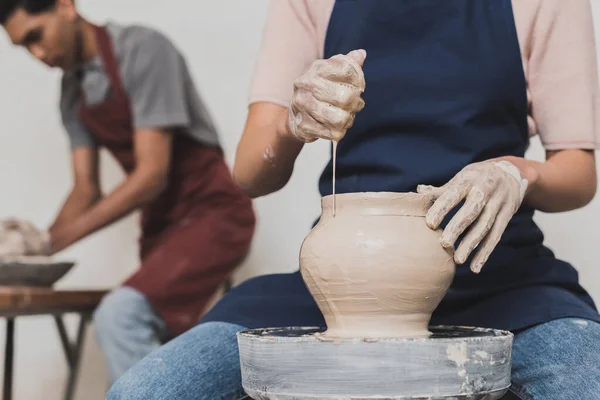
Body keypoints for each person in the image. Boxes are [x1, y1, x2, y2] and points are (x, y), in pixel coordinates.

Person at [108, 0, 600, 398]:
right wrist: (291, 123)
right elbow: (250, 174)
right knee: (143, 392)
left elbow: (578, 172)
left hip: (497, 272)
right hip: (343, 284)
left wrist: (515, 173)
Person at [0, 0, 256, 384]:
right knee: (160, 339)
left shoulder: (144, 50)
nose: (38, 54)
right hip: (162, 226)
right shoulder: (72, 93)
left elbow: (152, 175)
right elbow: (85, 190)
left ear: (66, 7)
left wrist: (52, 244)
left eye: (37, 36)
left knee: (120, 316)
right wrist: (32, 248)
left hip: (213, 214)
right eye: (25, 47)